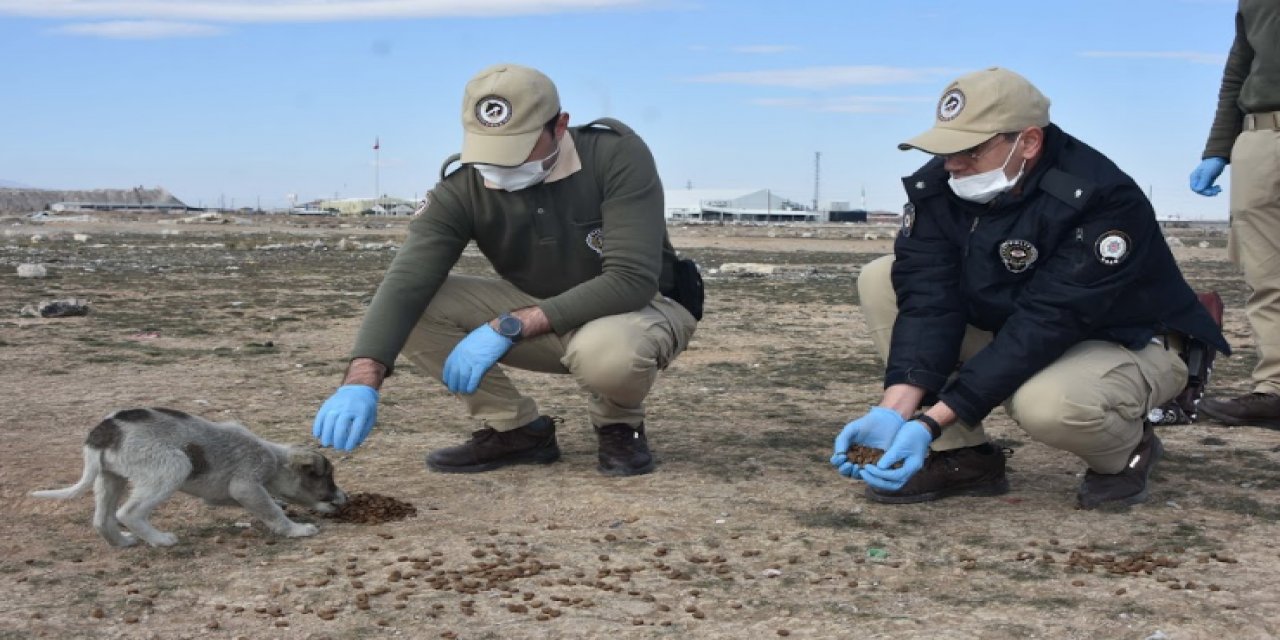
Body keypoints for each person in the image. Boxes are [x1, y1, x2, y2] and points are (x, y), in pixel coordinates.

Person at [830, 68, 1229, 508]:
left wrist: (932, 421)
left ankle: (1130, 448)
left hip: (1123, 338)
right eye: (944, 149)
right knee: (882, 277)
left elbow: (1049, 321)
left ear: (1029, 142)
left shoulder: (1102, 197)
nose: (952, 164)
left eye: (970, 149)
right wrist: (895, 409)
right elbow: (929, 302)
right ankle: (961, 456)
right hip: (1025, 321)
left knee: (1049, 405)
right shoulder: (939, 187)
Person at [310, 63, 700, 477]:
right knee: (415, 307)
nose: (499, 168)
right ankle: (517, 430)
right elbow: (406, 282)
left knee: (606, 353)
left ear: (560, 126)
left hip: (640, 309)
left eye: (517, 148)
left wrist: (508, 327)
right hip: (544, 309)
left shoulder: (615, 154)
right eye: (489, 151)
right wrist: (362, 377)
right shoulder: (461, 188)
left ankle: (620, 426)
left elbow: (630, 281)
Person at [1189, 0, 1280, 429]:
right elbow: (1237, 73)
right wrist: (1217, 150)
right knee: (1265, 275)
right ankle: (1274, 390)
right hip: (1260, 136)